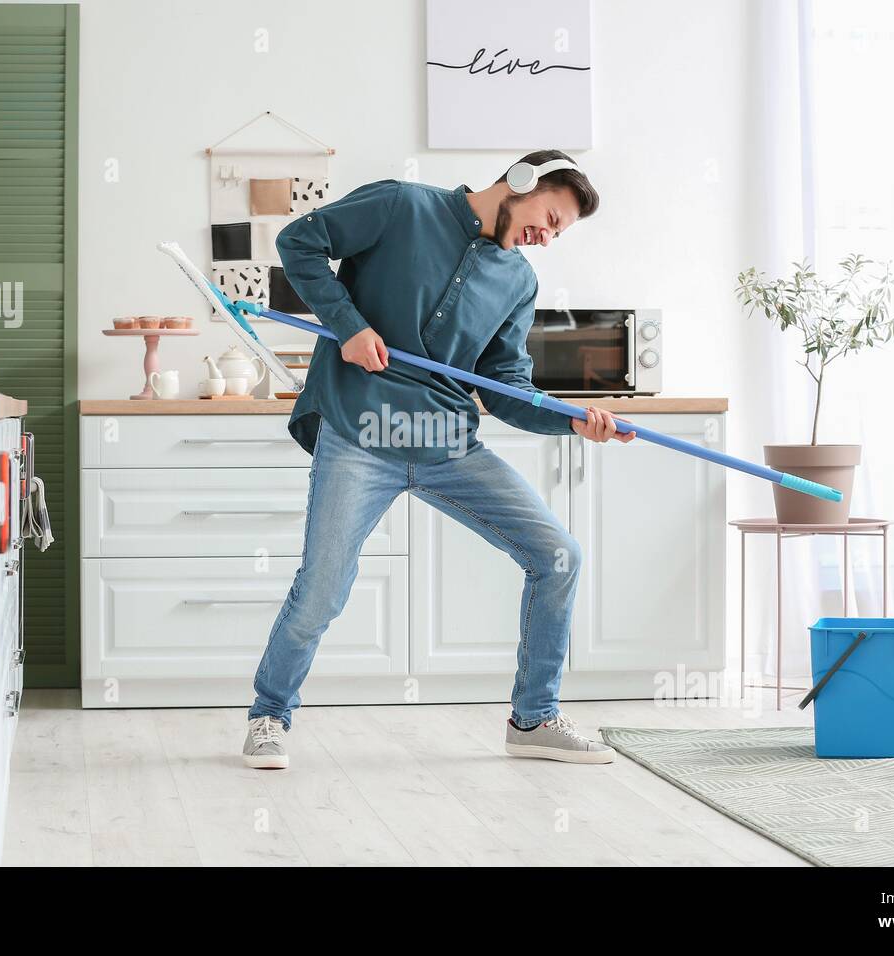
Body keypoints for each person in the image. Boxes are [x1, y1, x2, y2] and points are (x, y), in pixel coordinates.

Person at [243, 150, 635, 770]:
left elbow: (506, 386)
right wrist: (347, 325)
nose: (547, 237)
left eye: (559, 233)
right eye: (550, 218)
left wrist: (572, 419)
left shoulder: (518, 281)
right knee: (322, 591)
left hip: (447, 445)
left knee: (558, 555)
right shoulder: (403, 206)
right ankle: (270, 715)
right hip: (359, 432)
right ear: (523, 181)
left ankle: (533, 719)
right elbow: (300, 241)